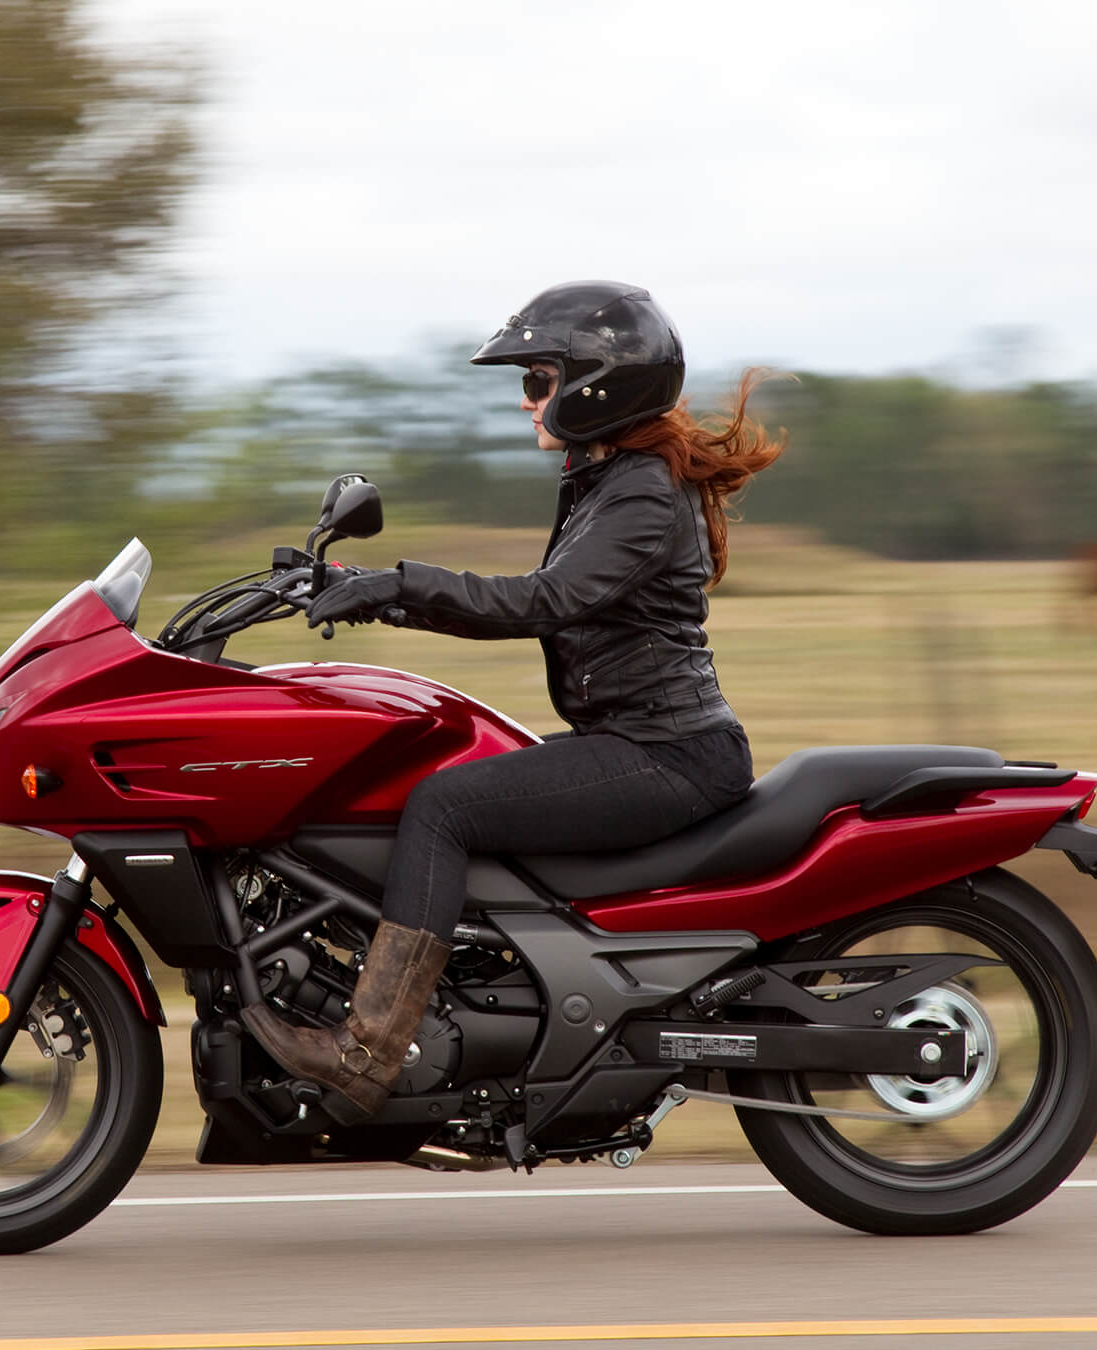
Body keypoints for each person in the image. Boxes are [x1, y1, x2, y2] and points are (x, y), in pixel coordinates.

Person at [241, 279, 788, 1119]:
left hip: (667, 755)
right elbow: (536, 601)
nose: (528, 402)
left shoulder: (638, 492)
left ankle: (367, 1051)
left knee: (445, 808)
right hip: (639, 740)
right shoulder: (608, 480)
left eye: (539, 381)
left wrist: (394, 584)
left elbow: (543, 601)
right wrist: (361, 588)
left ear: (597, 385)